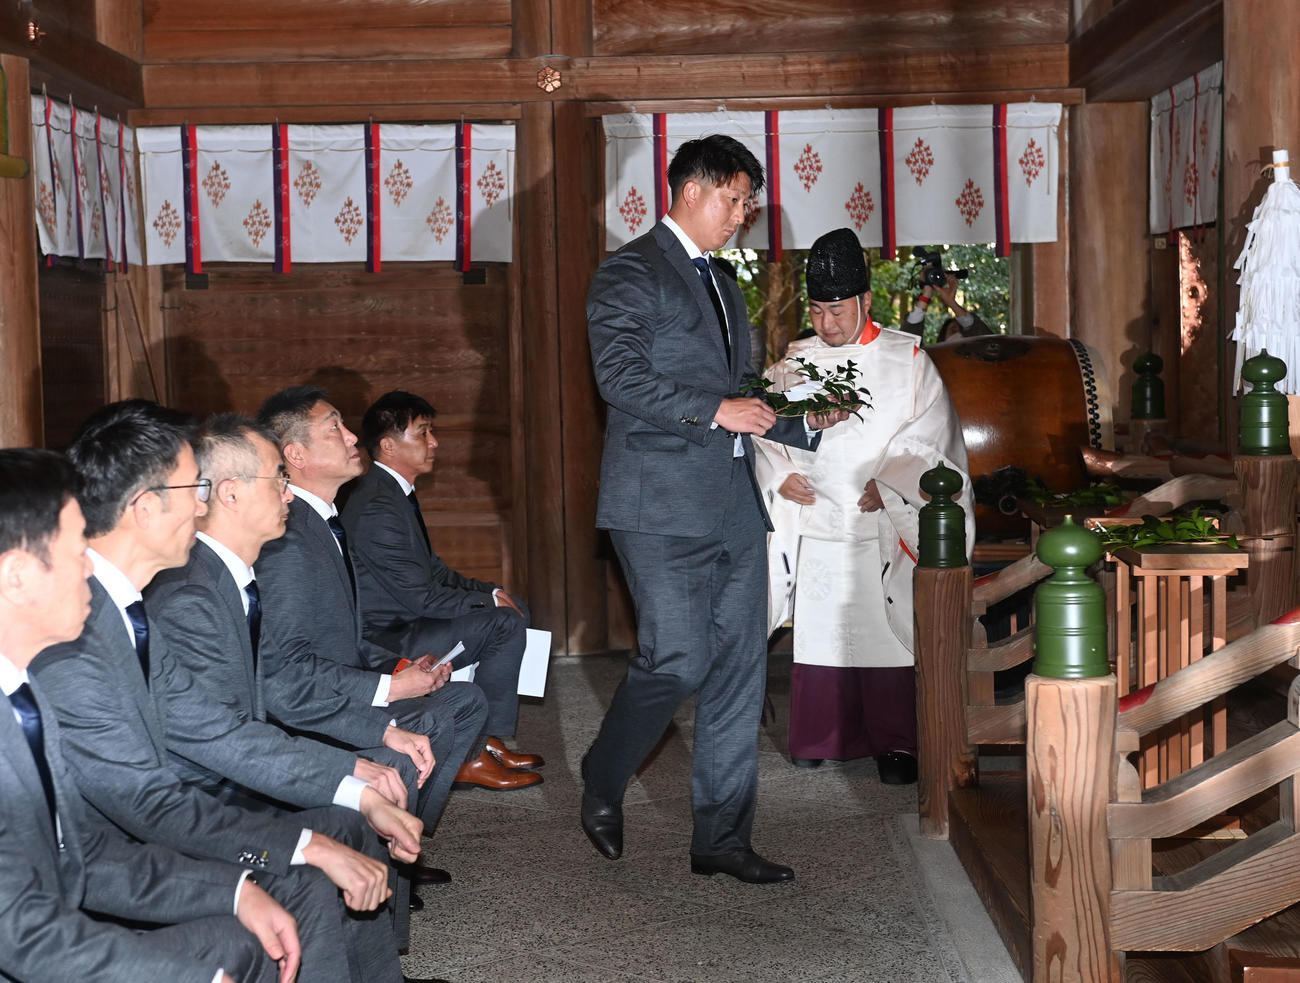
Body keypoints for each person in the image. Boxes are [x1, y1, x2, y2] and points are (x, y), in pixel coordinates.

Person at [30, 402, 436, 983]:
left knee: (332, 835)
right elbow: (145, 803)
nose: (204, 502)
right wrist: (299, 845)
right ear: (145, 508)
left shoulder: (128, 611)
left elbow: (216, 728)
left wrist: (352, 788)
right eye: (195, 486)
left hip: (144, 828)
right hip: (105, 859)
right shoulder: (85, 630)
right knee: (301, 874)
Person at [581, 134, 848, 884]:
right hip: (657, 503)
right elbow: (619, 375)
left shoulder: (726, 285)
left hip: (734, 501)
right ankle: (603, 773)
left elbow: (746, 394)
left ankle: (722, 836)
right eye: (734, 199)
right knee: (679, 657)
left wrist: (805, 420)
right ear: (692, 190)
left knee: (738, 666)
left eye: (748, 203)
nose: (742, 214)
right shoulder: (629, 271)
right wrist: (715, 409)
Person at [0, 447, 297, 983]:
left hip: (52, 932)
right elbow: (22, 931)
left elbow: (84, 855)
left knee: (241, 938)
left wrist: (232, 892)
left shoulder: (21, 689)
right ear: (18, 575)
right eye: (76, 553)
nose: (91, 569)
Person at [754, 227, 973, 783]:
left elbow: (933, 437)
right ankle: (818, 733)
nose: (827, 324)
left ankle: (894, 741)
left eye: (838, 310)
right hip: (819, 521)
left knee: (885, 629)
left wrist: (897, 482)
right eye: (818, 310)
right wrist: (780, 476)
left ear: (865, 301)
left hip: (882, 519)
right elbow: (760, 432)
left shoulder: (909, 361)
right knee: (824, 627)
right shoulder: (794, 364)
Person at [253, 387, 515, 811]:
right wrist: (390, 686)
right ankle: (390, 847)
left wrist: (398, 667)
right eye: (334, 428)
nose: (354, 437)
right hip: (309, 707)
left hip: (343, 675)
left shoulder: (324, 521)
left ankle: (403, 839)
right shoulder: (290, 540)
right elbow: (288, 669)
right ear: (296, 455)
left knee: (465, 700)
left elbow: (346, 635)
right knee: (430, 716)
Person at [341, 390, 545, 785]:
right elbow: (420, 596)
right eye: (422, 433)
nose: (434, 442)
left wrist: (489, 592)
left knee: (510, 606)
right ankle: (471, 755)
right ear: (388, 445)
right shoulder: (377, 504)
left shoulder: (393, 494)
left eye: (431, 431)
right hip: (388, 637)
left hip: (408, 619)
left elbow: (434, 571)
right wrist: (487, 604)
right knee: (503, 623)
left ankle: (481, 740)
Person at [900, 265, 993, 344]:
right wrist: (926, 294)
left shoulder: (979, 358)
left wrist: (952, 303)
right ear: (942, 338)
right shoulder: (932, 360)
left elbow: (987, 341)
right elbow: (908, 344)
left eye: (962, 331)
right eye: (953, 330)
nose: (958, 333)